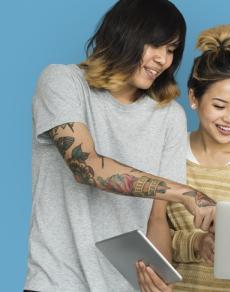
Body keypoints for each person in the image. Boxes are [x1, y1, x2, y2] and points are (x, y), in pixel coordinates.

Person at [25, 1, 215, 291]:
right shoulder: (62, 82)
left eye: (171, 50)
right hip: (56, 282)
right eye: (156, 45)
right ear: (124, 34)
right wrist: (188, 194)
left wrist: (159, 282)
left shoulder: (169, 116)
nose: (163, 60)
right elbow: (87, 167)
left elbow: (157, 218)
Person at [141, 24, 230, 292]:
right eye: (219, 106)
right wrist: (197, 244)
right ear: (194, 98)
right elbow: (149, 231)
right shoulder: (168, 152)